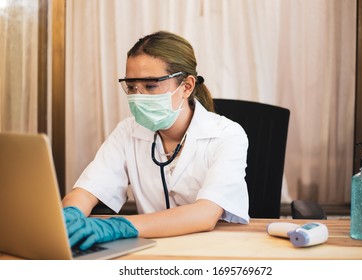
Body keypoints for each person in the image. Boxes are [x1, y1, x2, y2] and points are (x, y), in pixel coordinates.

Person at [62, 31, 249, 250]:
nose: (138, 97)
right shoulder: (127, 132)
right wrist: (69, 216)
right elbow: (87, 191)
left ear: (187, 86)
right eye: (132, 87)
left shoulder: (228, 134)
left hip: (214, 251)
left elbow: (205, 214)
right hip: (150, 249)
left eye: (150, 86)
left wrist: (118, 227)